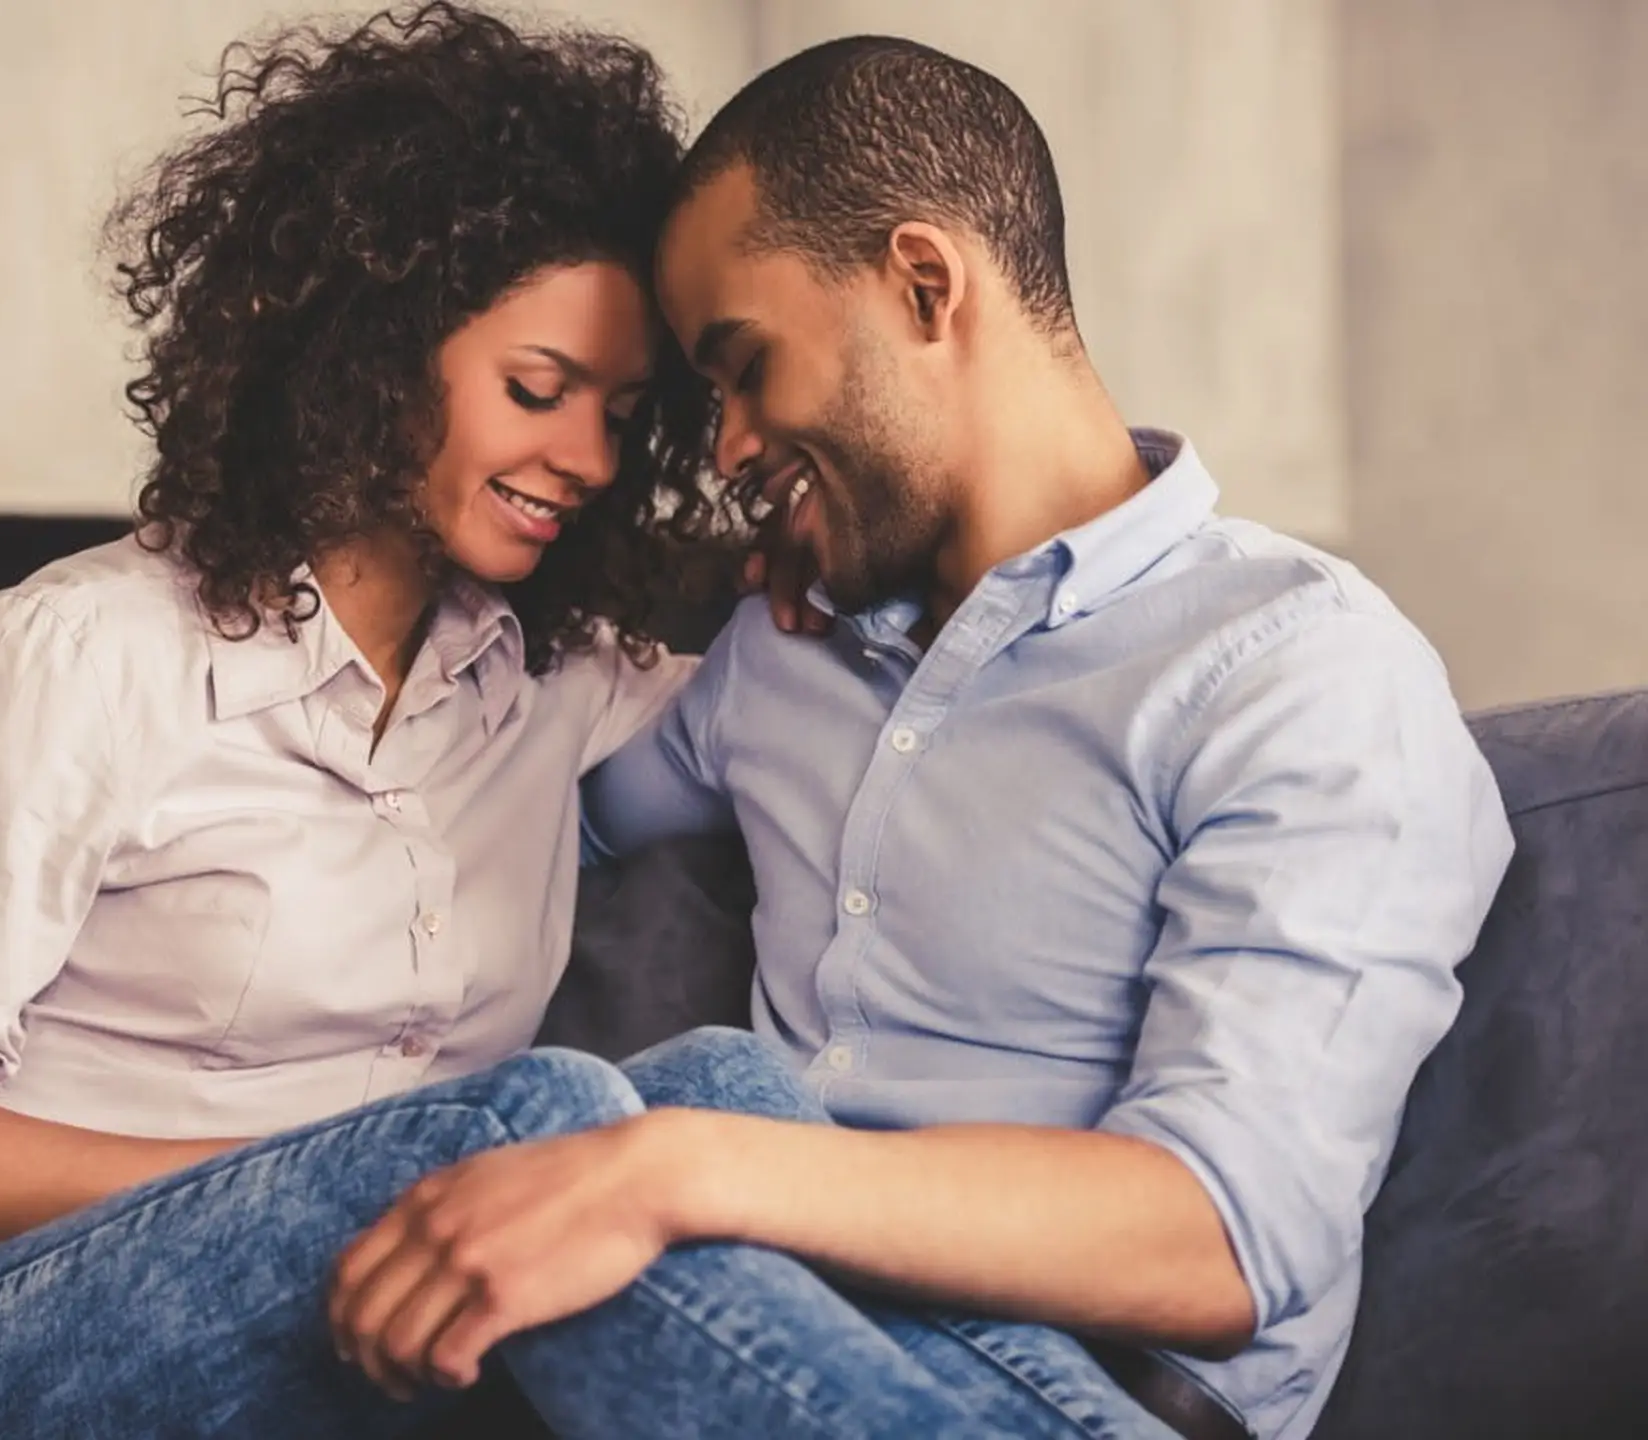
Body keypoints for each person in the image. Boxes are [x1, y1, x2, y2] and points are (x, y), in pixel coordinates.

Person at [306, 35, 1519, 1440]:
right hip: (728, 1321)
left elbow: (1223, 1237)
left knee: (635, 1131)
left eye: (744, 370)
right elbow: (488, 809)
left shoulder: (1296, 668)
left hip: (1080, 1392)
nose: (727, 449)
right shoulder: (781, 655)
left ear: (925, 285)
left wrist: (670, 1171)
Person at [0, 6, 729, 1436]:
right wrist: (308, 1187)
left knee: (718, 1096)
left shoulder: (547, 682)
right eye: (537, 389)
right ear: (378, 346)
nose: (583, 457)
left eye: (621, 414)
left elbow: (843, 696)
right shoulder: (80, 654)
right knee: (525, 1138)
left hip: (322, 1356)